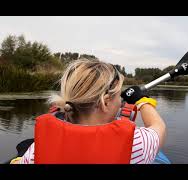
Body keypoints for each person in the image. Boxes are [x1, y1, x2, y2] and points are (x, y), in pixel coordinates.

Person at [11, 58, 166, 164]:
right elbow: (158, 127)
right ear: (105, 102)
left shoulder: (36, 151)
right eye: (118, 96)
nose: (120, 102)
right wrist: (142, 100)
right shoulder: (136, 142)